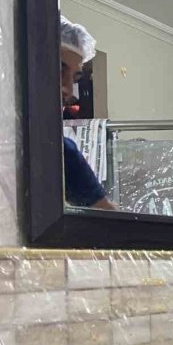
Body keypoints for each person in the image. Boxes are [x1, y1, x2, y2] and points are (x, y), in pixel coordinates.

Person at [60, 17, 115, 210]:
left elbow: (108, 215)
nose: (67, 89)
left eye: (74, 78)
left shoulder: (61, 153)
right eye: (59, 69)